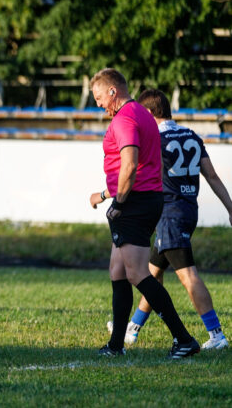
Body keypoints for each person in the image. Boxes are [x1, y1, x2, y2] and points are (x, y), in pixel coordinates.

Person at [108, 89, 232, 349]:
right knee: (151, 271)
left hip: (169, 211)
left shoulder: (155, 139)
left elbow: (137, 175)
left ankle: (216, 334)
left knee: (187, 275)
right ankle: (133, 327)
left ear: (150, 112)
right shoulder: (191, 136)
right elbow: (211, 176)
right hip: (188, 210)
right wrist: (230, 208)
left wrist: (107, 193)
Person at [88, 68, 199, 359]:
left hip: (135, 204)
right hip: (147, 200)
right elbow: (151, 166)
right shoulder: (141, 114)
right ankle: (116, 345)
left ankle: (184, 339)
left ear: (113, 92)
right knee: (118, 271)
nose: (98, 104)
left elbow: (130, 165)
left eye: (99, 97)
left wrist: (120, 204)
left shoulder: (124, 119)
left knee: (138, 273)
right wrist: (107, 195)